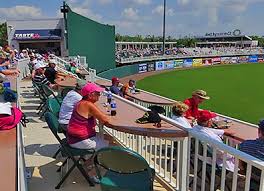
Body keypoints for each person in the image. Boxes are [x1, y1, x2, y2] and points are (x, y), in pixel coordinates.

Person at [67, 82, 109, 150]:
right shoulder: (87, 104)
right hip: (79, 140)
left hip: (74, 138)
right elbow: (105, 119)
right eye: (97, 93)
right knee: (113, 144)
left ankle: (92, 159)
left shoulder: (81, 102)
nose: (99, 95)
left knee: (110, 138)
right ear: (90, 95)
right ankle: (93, 160)